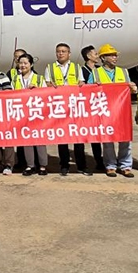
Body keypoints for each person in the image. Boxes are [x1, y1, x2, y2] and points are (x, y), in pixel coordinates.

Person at [88, 44, 138, 178]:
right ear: (103, 58)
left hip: (122, 110)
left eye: (115, 55)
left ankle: (125, 165)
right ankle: (110, 166)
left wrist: (133, 88)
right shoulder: (96, 72)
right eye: (111, 55)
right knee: (108, 140)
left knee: (125, 139)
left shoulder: (124, 72)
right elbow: (88, 91)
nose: (115, 57)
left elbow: (129, 89)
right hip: (105, 111)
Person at [44, 43, 89, 176]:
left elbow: (81, 82)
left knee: (78, 138)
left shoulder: (76, 67)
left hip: (74, 106)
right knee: (62, 138)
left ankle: (82, 166)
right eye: (58, 51)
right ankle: (64, 165)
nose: (61, 54)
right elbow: (47, 84)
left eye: (64, 51)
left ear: (69, 53)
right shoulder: (50, 67)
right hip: (59, 107)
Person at [12, 54, 48, 176]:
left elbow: (46, 95)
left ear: (31, 64)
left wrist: (37, 88)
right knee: (27, 140)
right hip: (22, 113)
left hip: (37, 113)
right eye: (21, 63)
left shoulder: (39, 78)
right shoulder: (15, 79)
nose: (22, 65)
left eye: (25, 63)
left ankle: (42, 165)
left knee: (39, 140)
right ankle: (30, 165)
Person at [79, 45, 105, 171]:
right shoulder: (81, 71)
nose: (97, 56)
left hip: (97, 107)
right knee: (82, 136)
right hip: (84, 108)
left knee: (97, 137)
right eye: (95, 54)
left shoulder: (100, 69)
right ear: (88, 56)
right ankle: (82, 164)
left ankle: (100, 162)